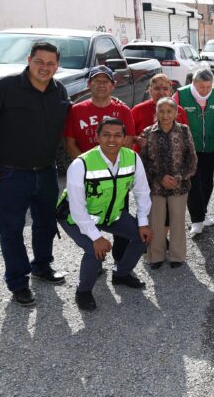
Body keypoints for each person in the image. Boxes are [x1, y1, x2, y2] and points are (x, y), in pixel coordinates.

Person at [0, 42, 70, 306]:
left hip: (46, 172)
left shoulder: (59, 91)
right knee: (11, 229)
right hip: (11, 174)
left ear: (57, 66)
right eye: (40, 61)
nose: (45, 67)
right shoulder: (4, 88)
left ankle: (42, 266)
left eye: (51, 63)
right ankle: (18, 282)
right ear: (29, 60)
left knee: (46, 223)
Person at [57, 118, 153, 311]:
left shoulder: (132, 158)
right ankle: (83, 292)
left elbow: (142, 192)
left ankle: (121, 274)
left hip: (110, 214)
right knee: (95, 250)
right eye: (107, 135)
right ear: (97, 137)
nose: (112, 140)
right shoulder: (81, 164)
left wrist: (143, 222)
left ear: (125, 138)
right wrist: (96, 237)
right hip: (76, 217)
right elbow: (77, 208)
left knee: (141, 237)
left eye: (118, 135)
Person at [64, 65, 136, 264]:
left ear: (113, 85)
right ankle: (95, 260)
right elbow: (70, 143)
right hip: (90, 178)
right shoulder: (77, 110)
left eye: (106, 81)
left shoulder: (122, 110)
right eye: (97, 81)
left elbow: (129, 139)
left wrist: (113, 168)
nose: (101, 85)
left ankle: (120, 264)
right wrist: (87, 169)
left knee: (119, 217)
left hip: (115, 176)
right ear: (89, 84)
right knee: (89, 217)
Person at [140, 98, 197, 269]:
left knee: (177, 220)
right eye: (161, 111)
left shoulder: (184, 131)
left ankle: (177, 256)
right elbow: (143, 162)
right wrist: (160, 178)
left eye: (169, 111)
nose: (165, 115)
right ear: (155, 112)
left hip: (179, 186)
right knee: (155, 221)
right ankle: (156, 256)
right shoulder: (148, 133)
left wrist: (178, 178)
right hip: (156, 186)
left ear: (176, 113)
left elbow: (192, 160)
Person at [175, 68, 214, 237]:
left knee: (208, 181)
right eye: (201, 87)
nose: (205, 91)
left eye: (208, 87)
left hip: (209, 145)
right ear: (193, 83)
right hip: (189, 148)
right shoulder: (180, 94)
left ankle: (203, 212)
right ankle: (196, 220)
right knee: (193, 183)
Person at [132, 74, 188, 152]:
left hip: (173, 159)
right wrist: (137, 140)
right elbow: (127, 135)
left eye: (165, 89)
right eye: (157, 88)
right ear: (150, 90)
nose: (161, 92)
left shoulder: (179, 111)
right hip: (143, 159)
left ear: (170, 91)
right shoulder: (138, 110)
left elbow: (186, 137)